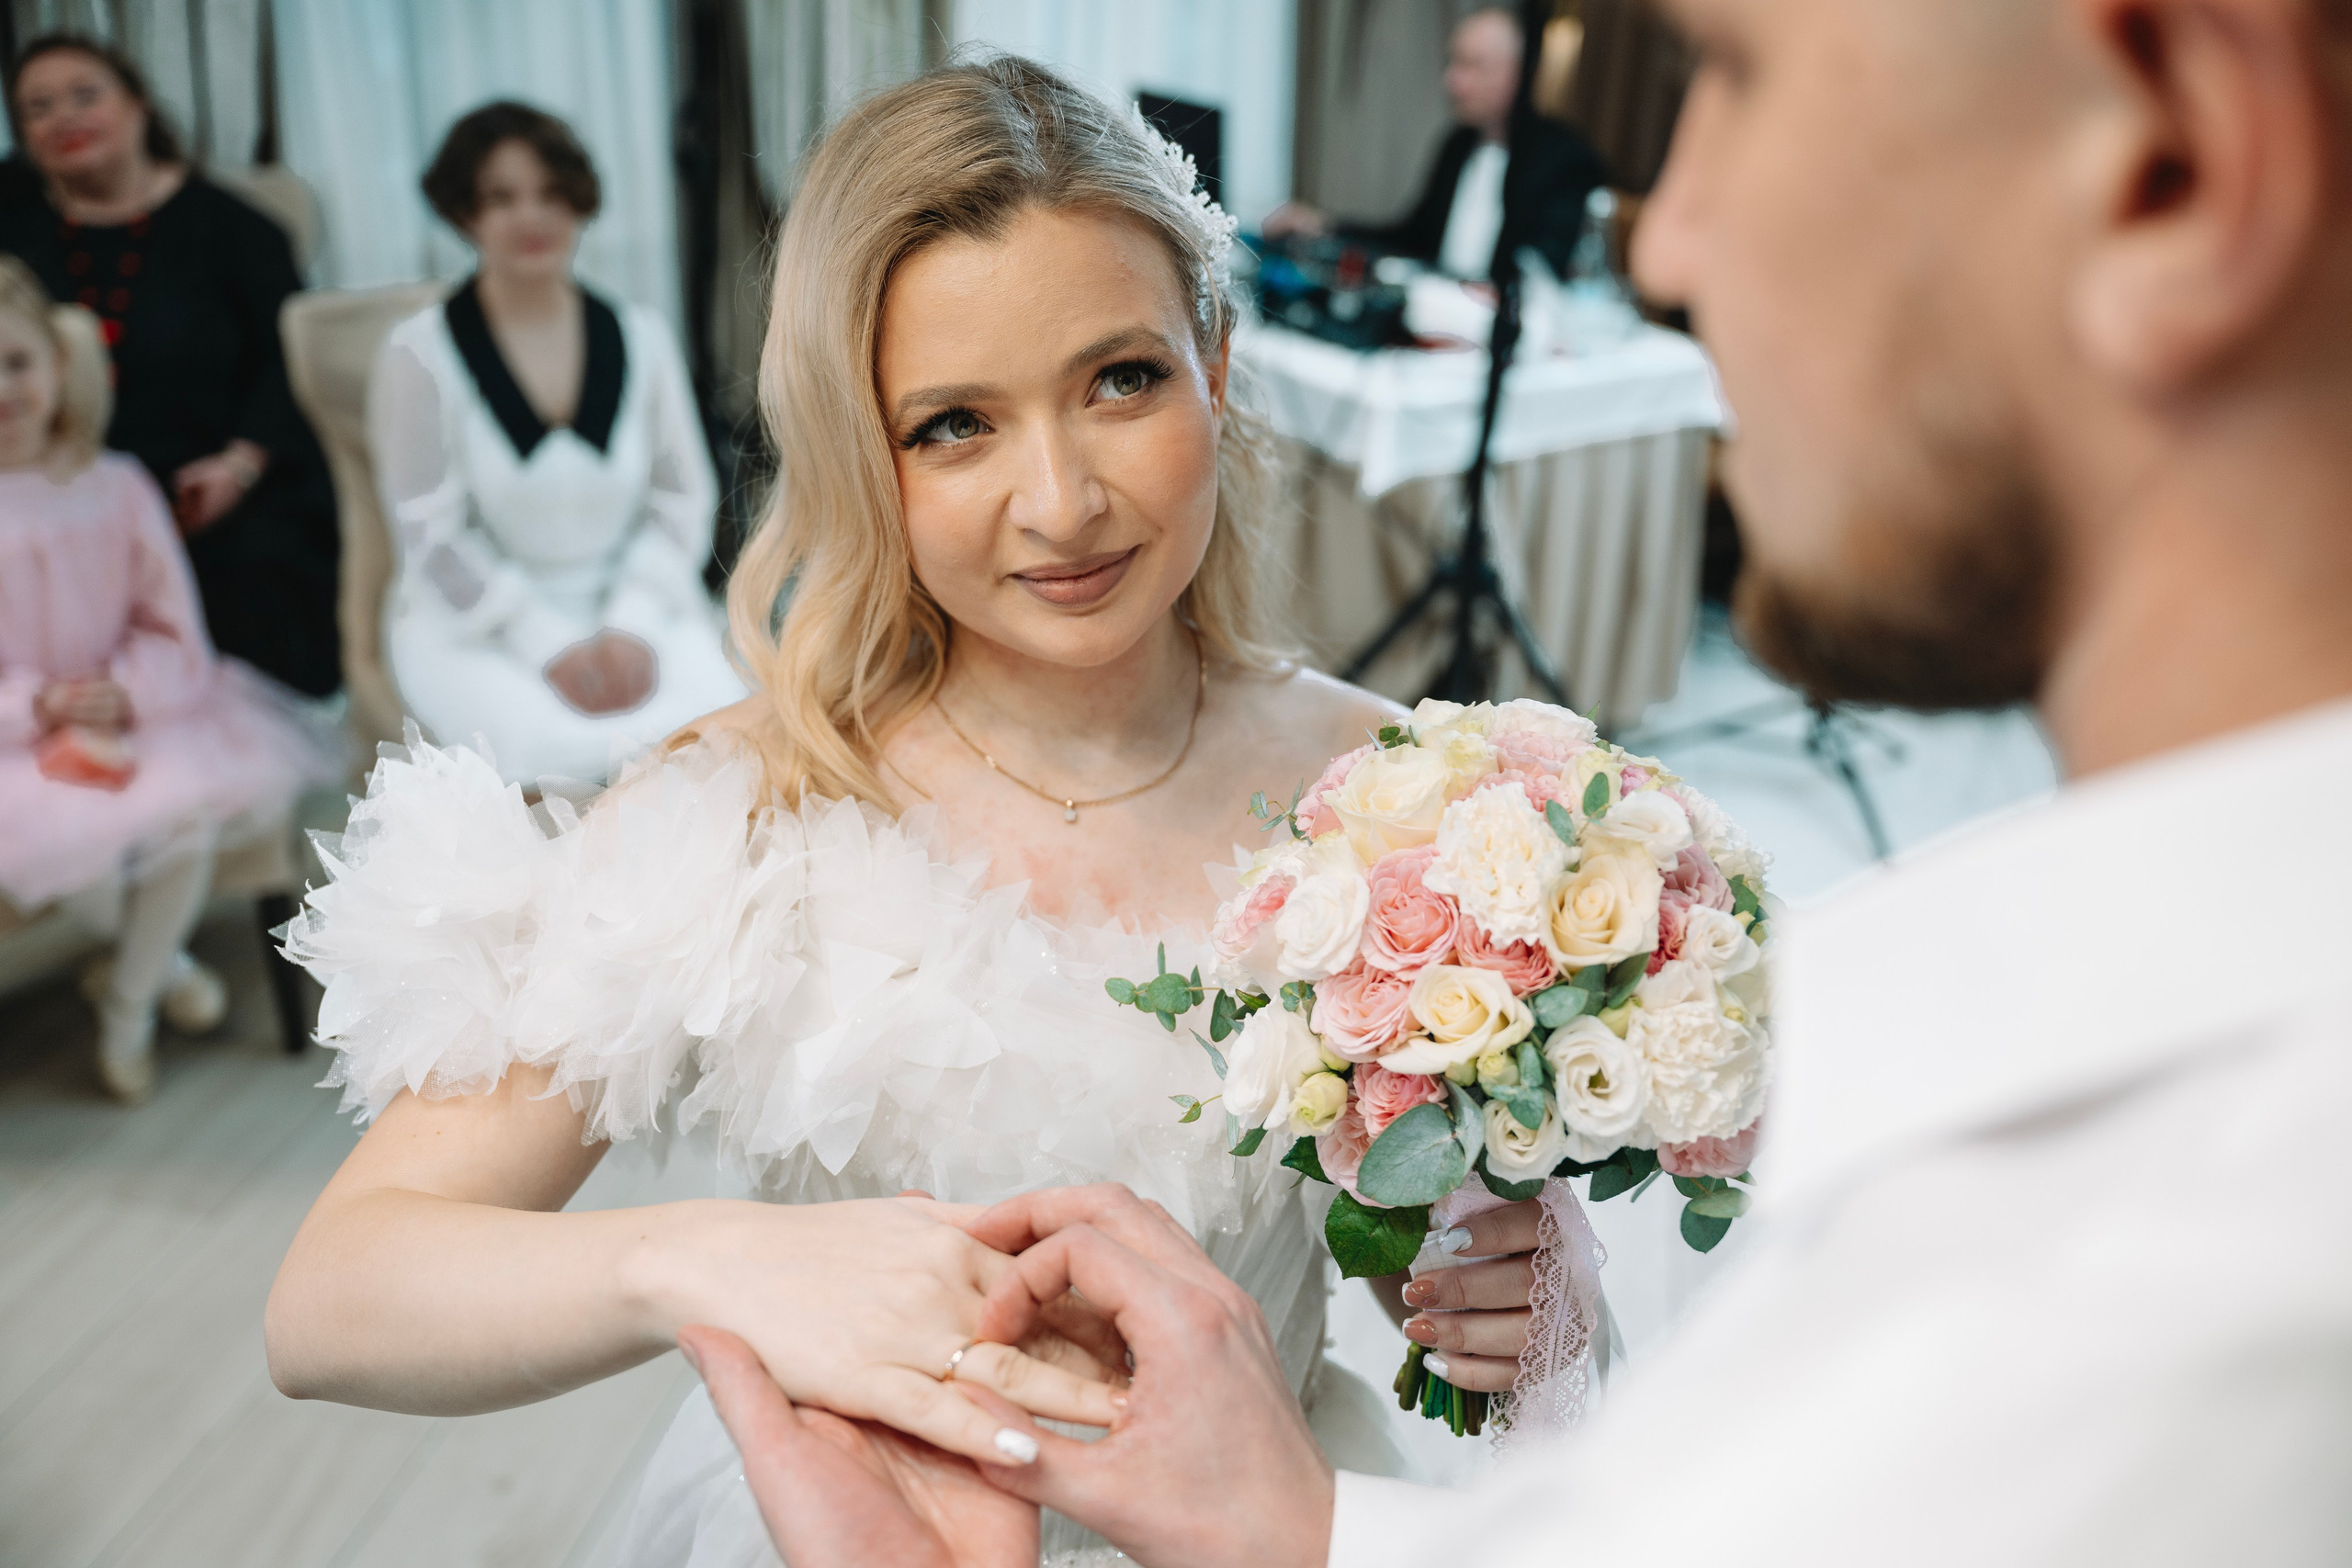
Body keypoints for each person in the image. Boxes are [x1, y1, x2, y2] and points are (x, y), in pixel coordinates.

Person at [688, 0, 2352, 1562]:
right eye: (952, 425)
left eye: (1734, 74)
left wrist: (1333, 1494)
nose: (1668, 235)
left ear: (2178, 156)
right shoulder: (2096, 1095)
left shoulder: (2196, 1211)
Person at [266, 59, 1560, 1564]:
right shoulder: (750, 809)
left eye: (1121, 379)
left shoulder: (1404, 798)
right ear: (857, 448)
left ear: (1213, 355)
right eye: (956, 423)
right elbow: (334, 1296)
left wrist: (1474, 1289)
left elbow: (1443, 1254)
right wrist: (708, 1261)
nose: (1062, 500)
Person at [0, 258, 334, 1101]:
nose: (3, 390)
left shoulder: (118, 485)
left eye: (15, 363)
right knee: (64, 843)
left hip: (144, 707)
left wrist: (125, 689)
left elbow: (173, 627)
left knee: (181, 806)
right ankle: (168, 971)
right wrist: (35, 702)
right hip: (17, 733)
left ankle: (125, 1010)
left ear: (56, 364)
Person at [368, 103, 744, 785]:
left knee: (723, 743)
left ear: (579, 201)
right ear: (463, 214)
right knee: (560, 766)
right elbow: (432, 536)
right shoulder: (418, 353)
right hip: (480, 628)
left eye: (550, 193)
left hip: (641, 607)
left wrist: (629, 623)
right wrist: (549, 644)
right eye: (501, 198)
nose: (531, 217)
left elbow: (682, 500)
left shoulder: (642, 335)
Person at [0, 34, 344, 700]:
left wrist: (238, 467)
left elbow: (289, 365)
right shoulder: (11, 225)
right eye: (38, 107)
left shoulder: (239, 230)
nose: (64, 118)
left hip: (213, 485)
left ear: (137, 106)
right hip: (51, 476)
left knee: (261, 575)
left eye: (84, 95)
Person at [1263, 6, 1610, 279]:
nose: (1453, 81)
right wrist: (1324, 227)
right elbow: (1412, 239)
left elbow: (1543, 272)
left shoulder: (1565, 160)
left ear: (1518, 72)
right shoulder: (1458, 144)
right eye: (1452, 63)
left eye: (1473, 66)